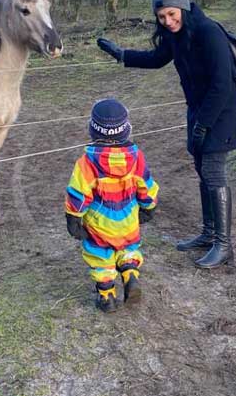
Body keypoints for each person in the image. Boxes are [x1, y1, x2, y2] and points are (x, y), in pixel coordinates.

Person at [97, 0, 236, 269]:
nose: (168, 21)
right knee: (202, 170)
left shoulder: (209, 32)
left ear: (184, 7)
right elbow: (156, 58)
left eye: (172, 15)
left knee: (213, 172)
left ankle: (224, 246)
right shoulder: (176, 35)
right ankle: (209, 233)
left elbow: (222, 84)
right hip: (198, 111)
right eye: (162, 17)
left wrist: (204, 124)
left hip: (221, 112)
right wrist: (122, 55)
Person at [65, 98, 159, 313]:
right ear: (126, 129)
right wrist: (148, 207)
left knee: (101, 255)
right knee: (128, 248)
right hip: (128, 219)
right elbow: (146, 184)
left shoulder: (86, 163)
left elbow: (78, 194)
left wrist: (73, 219)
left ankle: (106, 295)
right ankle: (130, 274)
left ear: (93, 130)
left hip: (100, 223)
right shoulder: (136, 158)